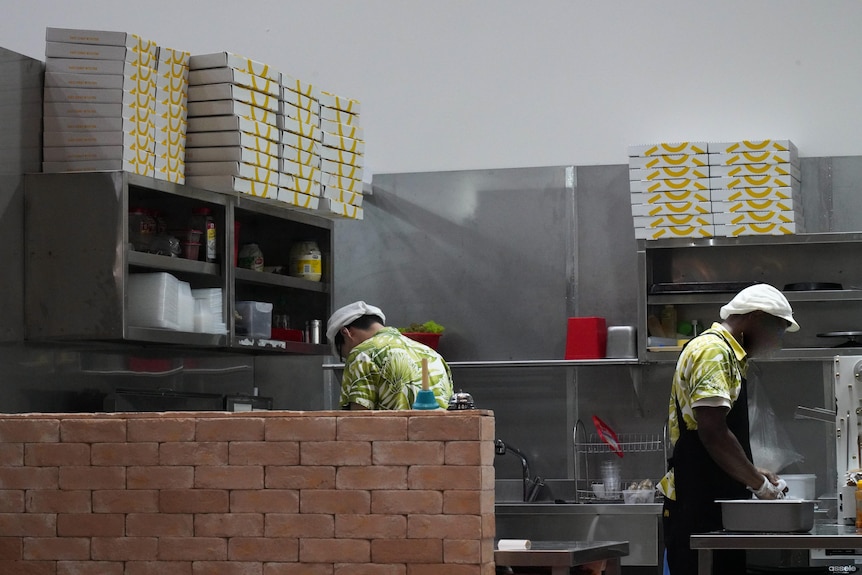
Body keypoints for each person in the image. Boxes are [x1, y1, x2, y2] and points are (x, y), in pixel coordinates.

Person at [659, 283, 799, 575]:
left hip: (714, 503)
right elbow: (712, 431)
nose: (776, 340)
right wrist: (758, 485)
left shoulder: (730, 356)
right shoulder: (712, 351)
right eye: (778, 330)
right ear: (756, 317)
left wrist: (750, 470)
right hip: (696, 504)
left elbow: (715, 431)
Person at [326, 301, 454, 410]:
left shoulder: (362, 354)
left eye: (344, 354)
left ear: (346, 332)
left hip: (391, 439)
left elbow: (358, 423)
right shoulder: (432, 354)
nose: (348, 357)